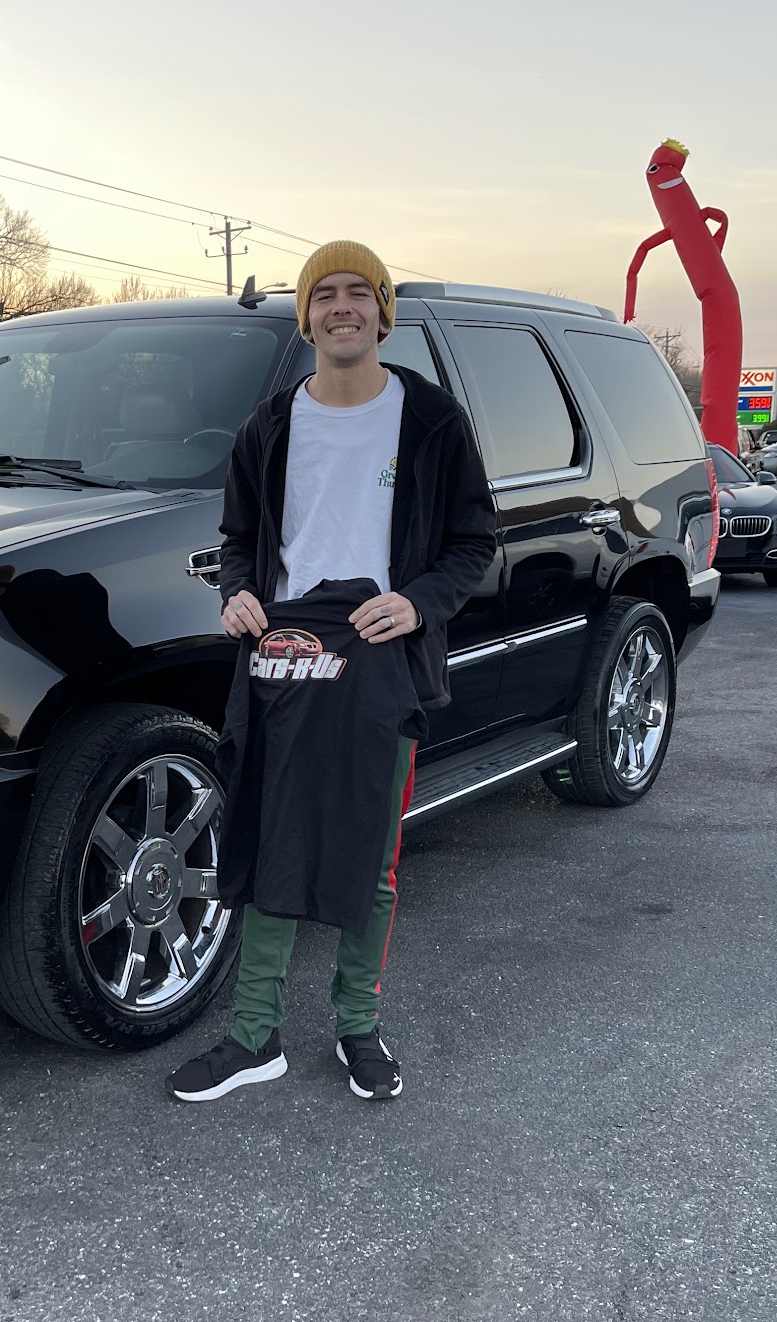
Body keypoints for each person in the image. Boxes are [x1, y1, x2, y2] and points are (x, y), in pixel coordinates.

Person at [166, 241, 496, 1104]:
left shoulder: (432, 421)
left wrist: (418, 602)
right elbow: (240, 541)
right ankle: (254, 1038)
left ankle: (358, 1027)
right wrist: (237, 593)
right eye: (325, 295)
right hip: (283, 652)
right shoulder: (270, 426)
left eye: (359, 293)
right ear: (307, 317)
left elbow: (474, 542)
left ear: (383, 313)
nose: (341, 306)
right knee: (272, 843)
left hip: (382, 654)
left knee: (369, 858)